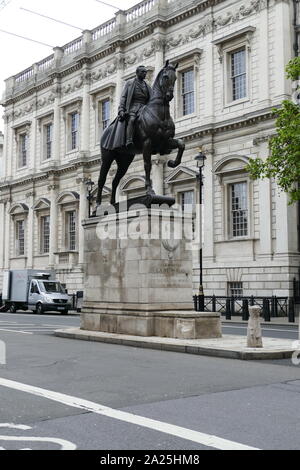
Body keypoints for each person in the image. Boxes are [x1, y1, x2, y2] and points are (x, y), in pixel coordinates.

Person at [118, 65, 152, 150]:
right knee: (132, 120)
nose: (145, 74)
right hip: (133, 107)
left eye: (145, 72)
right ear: (137, 73)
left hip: (144, 107)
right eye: (143, 72)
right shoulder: (129, 83)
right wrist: (121, 109)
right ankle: (129, 140)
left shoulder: (147, 86)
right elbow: (123, 97)